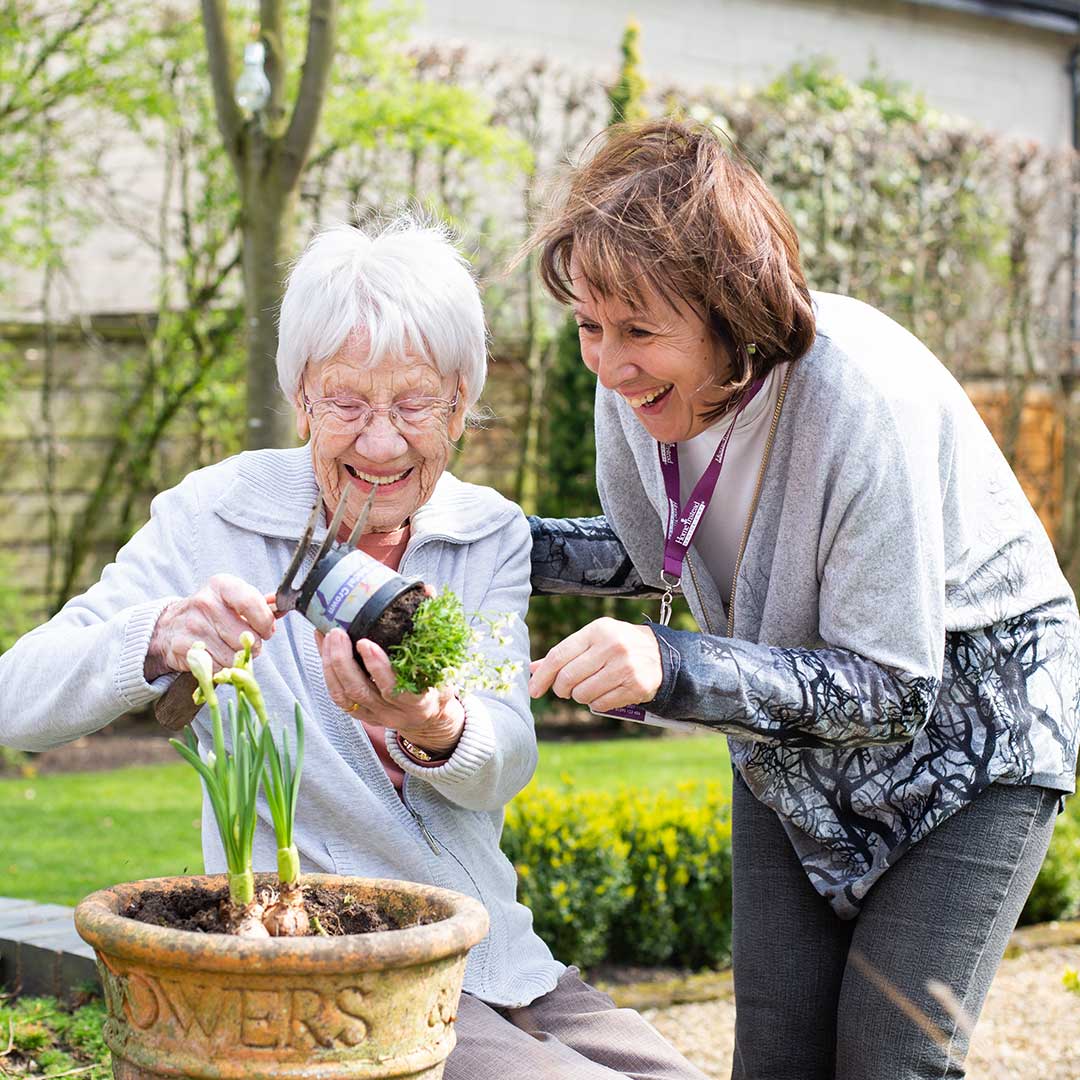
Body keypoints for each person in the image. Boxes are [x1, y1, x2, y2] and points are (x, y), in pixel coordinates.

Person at [0, 217, 708, 1080]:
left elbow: (507, 755)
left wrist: (436, 727)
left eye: (415, 404)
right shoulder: (213, 517)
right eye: (346, 403)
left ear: (462, 401)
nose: (381, 443)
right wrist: (154, 636)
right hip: (324, 973)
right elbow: (15, 700)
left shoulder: (482, 533)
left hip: (486, 948)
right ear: (300, 397)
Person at [525, 119, 1080, 1080]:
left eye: (639, 331)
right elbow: (661, 546)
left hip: (973, 742)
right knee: (774, 1057)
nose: (608, 367)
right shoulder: (638, 397)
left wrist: (678, 667)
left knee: (887, 1061)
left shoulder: (858, 401)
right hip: (790, 746)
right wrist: (494, 547)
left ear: (728, 308)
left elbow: (893, 687)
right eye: (588, 326)